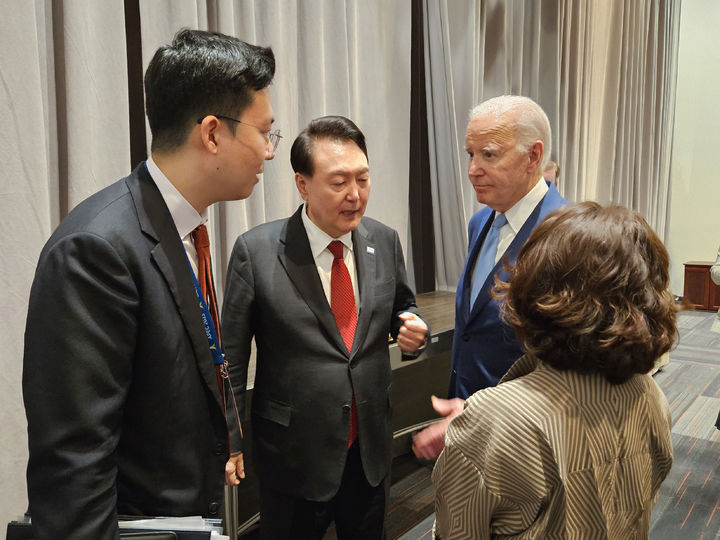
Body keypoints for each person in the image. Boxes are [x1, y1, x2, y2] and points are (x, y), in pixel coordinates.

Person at [22, 29, 277, 539]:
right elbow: (75, 466)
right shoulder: (97, 250)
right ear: (212, 133)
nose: (270, 152)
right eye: (264, 132)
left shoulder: (182, 231)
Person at [221, 115, 429, 540]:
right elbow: (232, 358)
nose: (355, 195)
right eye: (338, 183)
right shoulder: (256, 252)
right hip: (294, 456)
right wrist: (231, 440)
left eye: (363, 180)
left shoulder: (384, 240)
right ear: (303, 184)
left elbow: (402, 309)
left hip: (369, 449)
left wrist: (413, 332)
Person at [432, 202, 677, 539]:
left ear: (536, 288)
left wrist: (480, 426)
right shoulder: (650, 395)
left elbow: (456, 532)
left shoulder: (495, 420)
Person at [413, 95, 566, 459]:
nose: (472, 170)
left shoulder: (568, 235)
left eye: (490, 155)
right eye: (470, 154)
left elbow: (565, 366)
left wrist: (484, 412)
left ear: (533, 156)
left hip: (525, 437)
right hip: (464, 419)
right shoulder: (480, 221)